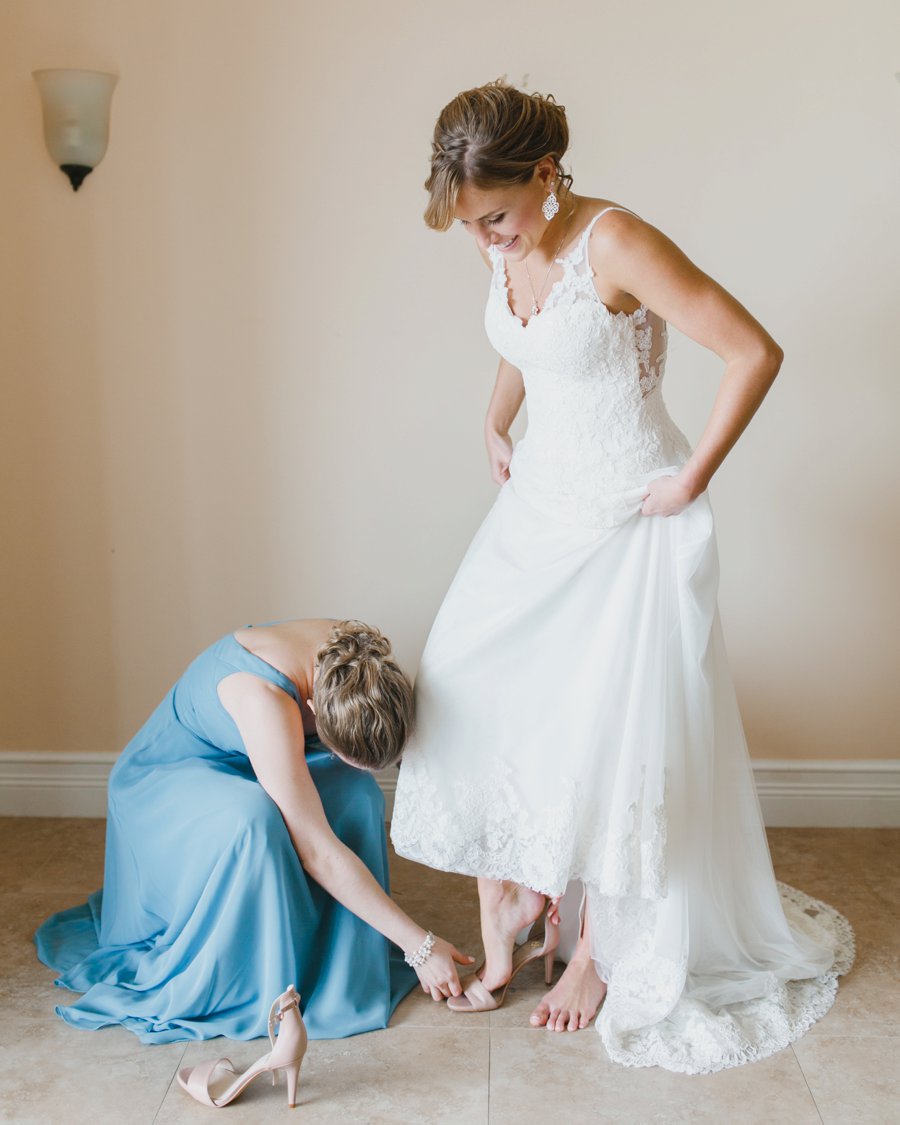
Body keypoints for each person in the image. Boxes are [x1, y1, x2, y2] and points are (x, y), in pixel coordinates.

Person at [390, 80, 853, 1074]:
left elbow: (753, 351)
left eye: (499, 218)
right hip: (537, 515)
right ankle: (520, 889)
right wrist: (493, 417)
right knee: (476, 689)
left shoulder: (617, 241)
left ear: (548, 175)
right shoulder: (509, 237)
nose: (489, 243)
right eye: (471, 227)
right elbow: (530, 334)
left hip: (628, 521)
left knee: (612, 728)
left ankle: (599, 949)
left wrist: (692, 475)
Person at [36, 618, 472, 1044]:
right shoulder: (263, 699)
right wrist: (418, 944)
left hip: (252, 754)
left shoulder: (359, 663)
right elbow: (316, 852)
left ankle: (341, 955)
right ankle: (262, 966)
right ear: (315, 711)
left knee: (358, 791)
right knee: (254, 819)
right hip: (172, 779)